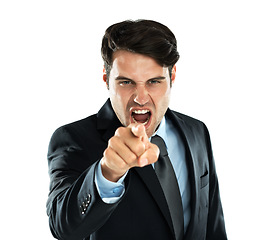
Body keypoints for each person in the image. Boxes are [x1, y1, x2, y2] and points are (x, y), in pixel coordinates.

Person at [46, 19, 227, 240]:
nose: (140, 98)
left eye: (153, 82)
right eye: (126, 82)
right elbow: (63, 227)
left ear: (173, 77)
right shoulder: (72, 139)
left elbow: (213, 226)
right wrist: (108, 173)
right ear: (106, 78)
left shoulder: (197, 132)